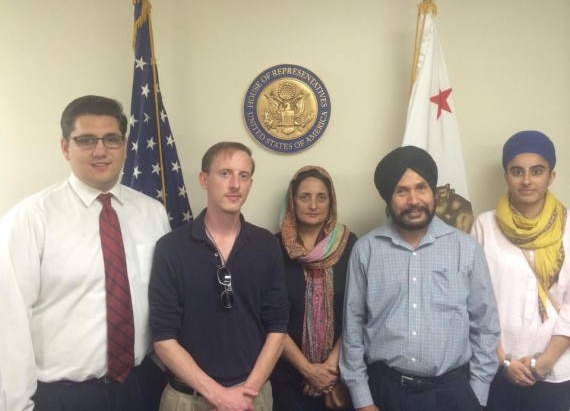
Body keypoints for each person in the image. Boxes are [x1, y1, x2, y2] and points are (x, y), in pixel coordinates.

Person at [0, 95, 172, 411]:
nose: (100, 151)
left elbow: (165, 300)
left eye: (111, 139)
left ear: (124, 145)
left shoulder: (153, 213)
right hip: (64, 397)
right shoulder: (30, 219)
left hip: (141, 387)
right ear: (65, 147)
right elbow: (9, 322)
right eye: (86, 140)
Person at [340, 145, 501, 411]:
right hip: (385, 393)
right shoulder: (366, 250)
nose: (413, 199)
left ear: (433, 191)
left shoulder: (466, 248)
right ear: (388, 198)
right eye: (402, 190)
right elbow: (353, 329)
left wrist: (476, 394)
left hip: (453, 394)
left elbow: (486, 325)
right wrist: (362, 399)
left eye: (421, 188)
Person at [149, 141, 289, 411]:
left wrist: (246, 394)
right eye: (225, 173)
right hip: (188, 399)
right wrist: (219, 396)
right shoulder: (171, 247)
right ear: (204, 179)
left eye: (243, 175)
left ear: (250, 183)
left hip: (252, 397)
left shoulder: (266, 245)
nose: (235, 184)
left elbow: (278, 326)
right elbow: (163, 337)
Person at [471, 130, 570, 411]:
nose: (527, 180)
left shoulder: (568, 228)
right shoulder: (485, 226)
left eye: (536, 171)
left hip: (557, 371)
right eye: (517, 171)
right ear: (506, 176)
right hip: (494, 368)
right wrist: (503, 361)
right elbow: (475, 300)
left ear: (551, 176)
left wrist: (546, 360)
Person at [270, 166, 358, 410]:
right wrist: (308, 370)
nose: (313, 205)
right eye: (304, 197)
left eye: (322, 197)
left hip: (338, 376)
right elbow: (269, 316)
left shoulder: (350, 245)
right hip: (286, 377)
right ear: (292, 201)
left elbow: (358, 311)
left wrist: (328, 370)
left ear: (331, 202)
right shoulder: (271, 248)